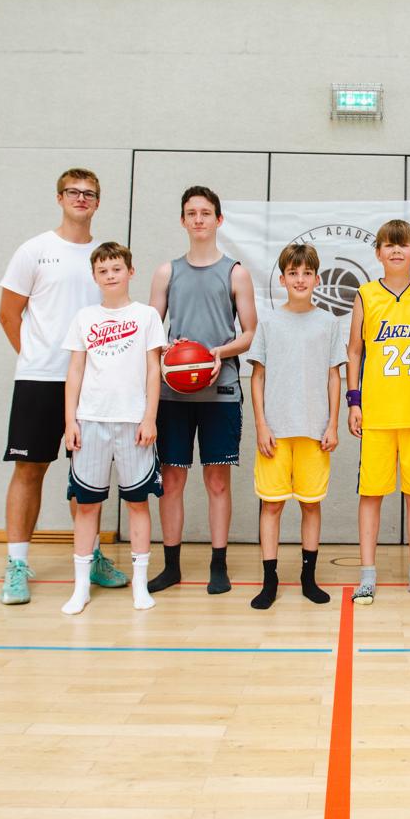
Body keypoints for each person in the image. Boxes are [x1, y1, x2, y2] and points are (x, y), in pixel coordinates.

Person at [0, 169, 129, 605]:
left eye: (90, 193)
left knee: (85, 477)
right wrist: (35, 355)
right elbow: (8, 314)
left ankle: (90, 557)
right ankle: (16, 565)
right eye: (74, 192)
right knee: (29, 470)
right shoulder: (34, 250)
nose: (82, 198)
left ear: (98, 201)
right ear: (59, 198)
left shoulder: (105, 256)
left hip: (92, 385)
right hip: (39, 380)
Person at [147, 186, 257, 595]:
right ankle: (171, 565)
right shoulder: (166, 272)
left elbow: (249, 333)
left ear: (218, 220)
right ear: (182, 220)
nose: (198, 219)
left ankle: (218, 564)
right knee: (172, 480)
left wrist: (217, 354)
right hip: (173, 394)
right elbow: (150, 330)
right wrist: (161, 360)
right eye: (191, 213)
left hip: (220, 389)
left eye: (205, 213)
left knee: (217, 482)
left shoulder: (235, 272)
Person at [60, 243, 166, 614]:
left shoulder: (147, 316)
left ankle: (140, 584)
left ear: (130, 272)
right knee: (87, 506)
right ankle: (81, 588)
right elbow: (74, 371)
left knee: (138, 501)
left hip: (133, 422)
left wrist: (149, 417)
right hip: (90, 422)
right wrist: (70, 420)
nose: (110, 275)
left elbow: (155, 369)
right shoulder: (84, 317)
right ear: (95, 276)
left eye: (116, 269)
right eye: (103, 271)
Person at [346, 219, 410, 605]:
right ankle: (367, 575)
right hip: (378, 413)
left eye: (403, 245)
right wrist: (354, 401)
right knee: (371, 494)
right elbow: (355, 351)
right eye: (389, 245)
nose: (396, 251)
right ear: (378, 253)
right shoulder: (366, 295)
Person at [246, 242, 346, 610]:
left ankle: (308, 576)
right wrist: (261, 424)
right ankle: (269, 580)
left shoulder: (328, 322)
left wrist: (333, 424)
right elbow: (257, 377)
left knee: (310, 505)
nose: (300, 279)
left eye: (307, 273)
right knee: (271, 507)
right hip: (276, 430)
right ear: (283, 279)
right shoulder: (270, 322)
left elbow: (335, 377)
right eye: (293, 273)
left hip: (314, 432)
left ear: (317, 279)